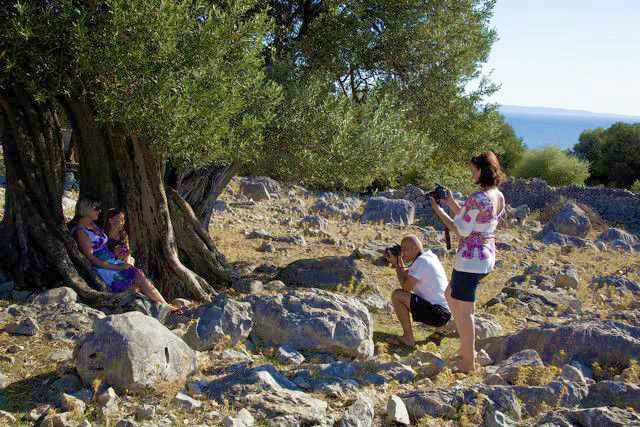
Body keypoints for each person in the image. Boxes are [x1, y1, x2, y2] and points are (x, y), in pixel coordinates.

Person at [430, 151, 506, 373]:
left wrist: (439, 210)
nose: (471, 174)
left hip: (469, 261)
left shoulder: (477, 198)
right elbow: (472, 220)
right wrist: (451, 202)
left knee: (465, 312)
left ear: (482, 171)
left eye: (473, 170)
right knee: (449, 294)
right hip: (485, 257)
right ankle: (465, 351)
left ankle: (468, 363)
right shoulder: (497, 196)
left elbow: (460, 230)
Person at [70, 197, 173, 307]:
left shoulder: (94, 225)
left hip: (113, 261)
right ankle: (161, 307)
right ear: (86, 209)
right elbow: (91, 258)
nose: (99, 211)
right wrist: (115, 267)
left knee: (139, 274)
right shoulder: (81, 231)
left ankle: (165, 305)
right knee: (132, 287)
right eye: (96, 208)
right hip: (104, 268)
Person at [385, 235, 451, 348]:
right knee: (404, 295)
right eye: (401, 249)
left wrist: (396, 264)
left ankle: (408, 338)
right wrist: (400, 261)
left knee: (397, 295)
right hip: (445, 313)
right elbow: (408, 273)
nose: (403, 253)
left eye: (405, 249)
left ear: (416, 248)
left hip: (438, 314)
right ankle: (440, 330)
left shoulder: (421, 261)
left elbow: (406, 287)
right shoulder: (429, 256)